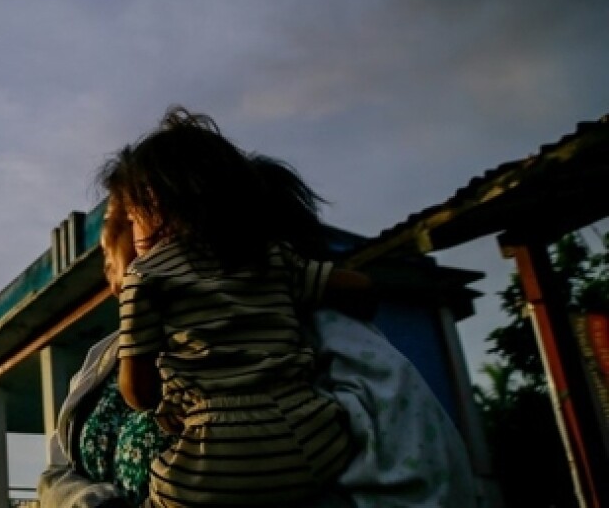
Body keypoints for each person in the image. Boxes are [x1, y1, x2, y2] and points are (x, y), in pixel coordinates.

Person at [39, 112, 479, 508]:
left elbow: (425, 483)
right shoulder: (103, 359)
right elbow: (58, 473)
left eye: (123, 223)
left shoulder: (326, 337)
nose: (108, 256)